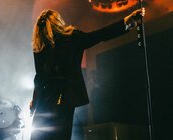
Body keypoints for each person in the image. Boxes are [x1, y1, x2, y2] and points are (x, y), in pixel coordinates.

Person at [30, 8, 145, 140]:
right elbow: (100, 35)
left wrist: (34, 101)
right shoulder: (68, 39)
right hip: (63, 99)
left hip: (51, 100)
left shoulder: (45, 45)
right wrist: (126, 22)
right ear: (58, 22)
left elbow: (39, 78)